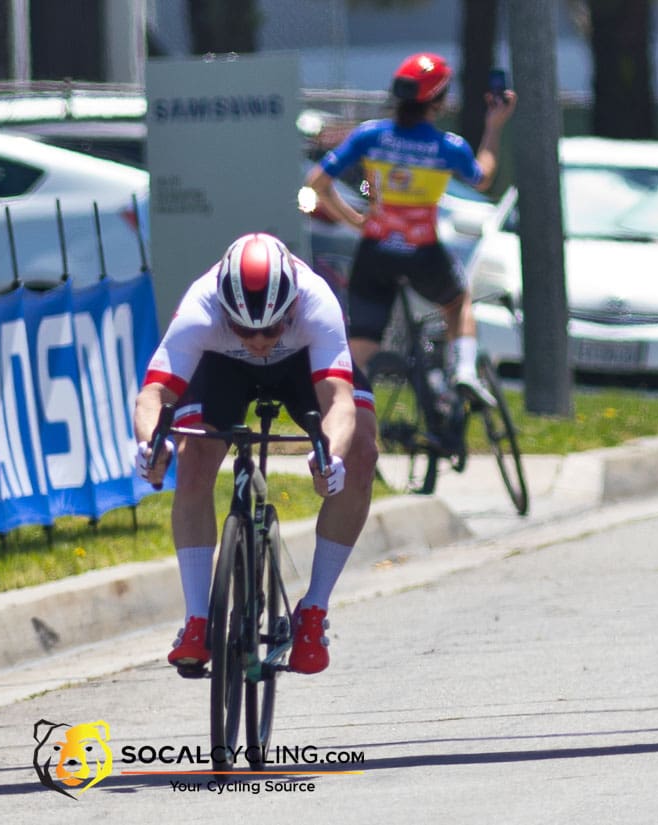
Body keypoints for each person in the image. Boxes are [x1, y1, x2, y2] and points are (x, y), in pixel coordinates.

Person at [133, 232, 378, 676]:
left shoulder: (316, 302)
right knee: (193, 458)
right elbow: (153, 394)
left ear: (291, 310)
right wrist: (152, 445)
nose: (261, 340)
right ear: (224, 311)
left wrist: (333, 457)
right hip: (223, 368)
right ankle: (196, 619)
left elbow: (338, 400)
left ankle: (314, 611)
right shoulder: (200, 309)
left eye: (272, 328)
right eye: (245, 329)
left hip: (302, 365)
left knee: (361, 449)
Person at [302, 52, 516, 407]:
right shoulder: (447, 146)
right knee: (457, 302)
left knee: (363, 345)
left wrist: (353, 219)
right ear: (439, 100)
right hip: (422, 253)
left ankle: (338, 412)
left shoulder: (370, 135)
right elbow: (483, 177)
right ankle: (463, 373)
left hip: (375, 252)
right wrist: (494, 126)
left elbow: (317, 182)